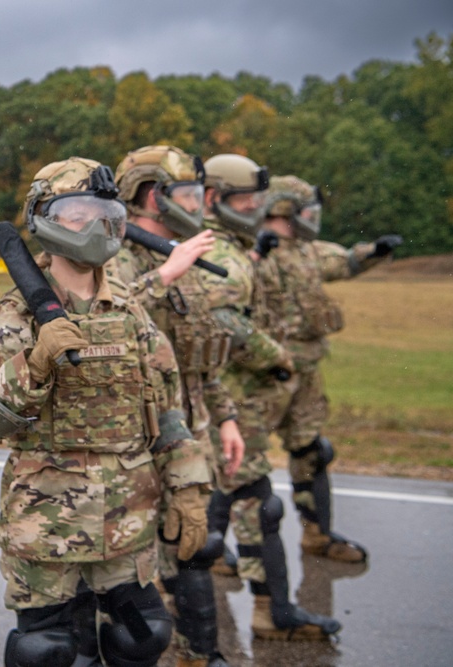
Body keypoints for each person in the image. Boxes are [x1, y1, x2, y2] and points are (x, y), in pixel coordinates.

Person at [0, 157, 212, 667]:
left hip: (127, 519)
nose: (94, 224)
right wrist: (35, 364)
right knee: (47, 651)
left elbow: (167, 407)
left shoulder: (130, 309)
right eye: (77, 212)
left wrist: (188, 487)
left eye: (104, 210)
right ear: (46, 219)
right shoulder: (18, 315)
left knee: (142, 637)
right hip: (47, 521)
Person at [109, 145, 245, 667]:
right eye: (186, 194)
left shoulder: (180, 253)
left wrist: (227, 415)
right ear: (149, 195)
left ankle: (199, 654)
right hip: (139, 437)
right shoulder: (117, 255)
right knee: (129, 562)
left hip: (193, 429)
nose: (197, 205)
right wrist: (165, 275)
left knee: (195, 544)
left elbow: (198, 356)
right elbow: (101, 321)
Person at [198, 156, 340, 641]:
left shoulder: (238, 247)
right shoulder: (217, 249)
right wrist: (274, 354)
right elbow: (224, 319)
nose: (253, 208)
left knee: (238, 492)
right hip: (230, 391)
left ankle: (258, 610)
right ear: (214, 199)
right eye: (244, 200)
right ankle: (244, 621)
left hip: (226, 395)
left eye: (257, 200)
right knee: (250, 502)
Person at [258, 175, 400, 563]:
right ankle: (210, 549)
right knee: (238, 462)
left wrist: (374, 251)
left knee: (312, 452)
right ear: (283, 210)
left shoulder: (308, 251)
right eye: (305, 211)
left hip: (305, 373)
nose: (311, 218)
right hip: (262, 375)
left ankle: (317, 535)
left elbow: (344, 261)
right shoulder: (253, 252)